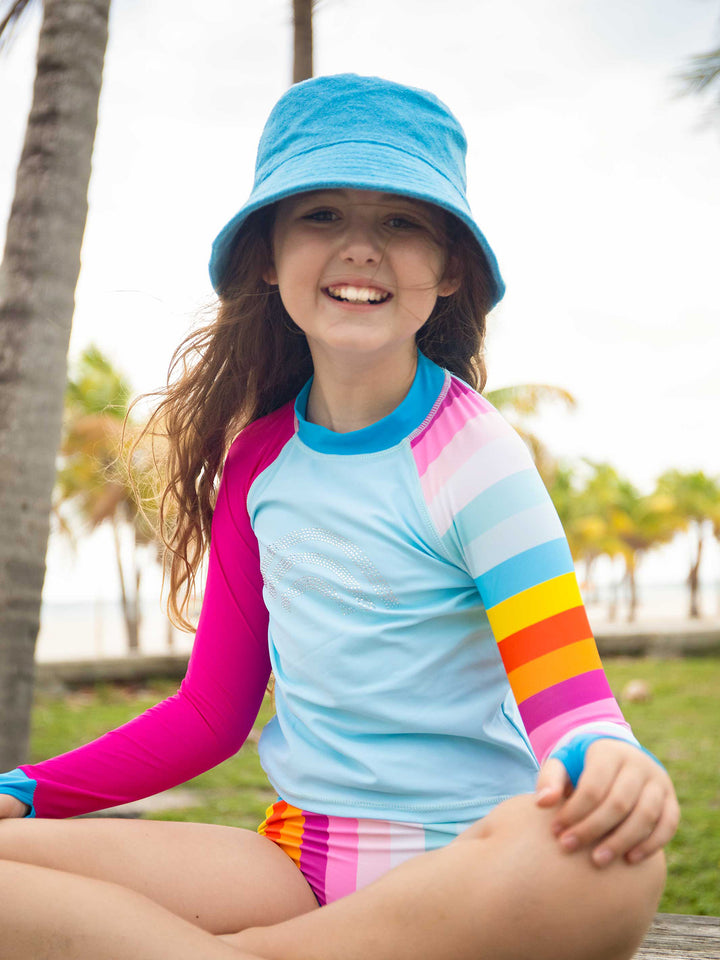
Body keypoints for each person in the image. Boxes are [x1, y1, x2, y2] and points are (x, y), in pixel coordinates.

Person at [0, 74, 677, 960]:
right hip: (296, 863)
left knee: (612, 866)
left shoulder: (476, 456)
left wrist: (607, 761)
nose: (361, 247)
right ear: (268, 255)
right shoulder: (258, 461)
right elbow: (209, 714)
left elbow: (572, 706)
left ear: (450, 269)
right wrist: (26, 789)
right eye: (321, 214)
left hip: (471, 866)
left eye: (401, 221)